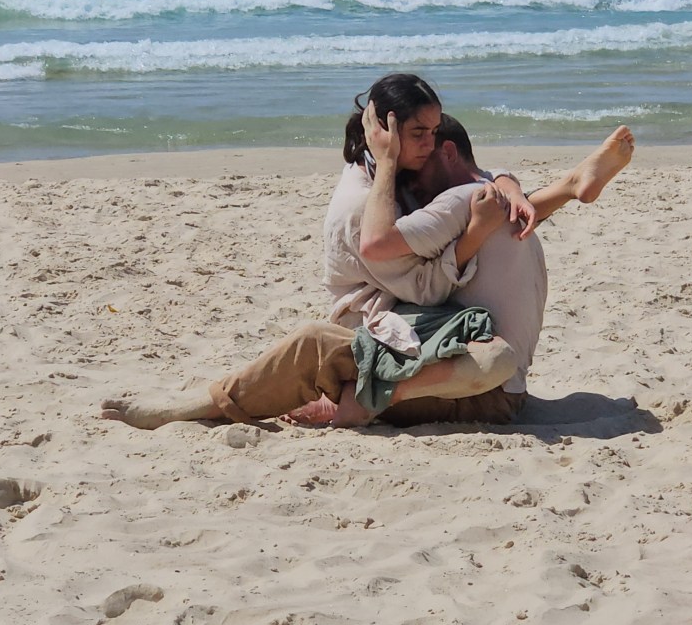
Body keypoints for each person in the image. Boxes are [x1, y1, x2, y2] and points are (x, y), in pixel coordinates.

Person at [101, 74, 632, 431]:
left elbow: (477, 185)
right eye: (419, 133)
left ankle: (362, 400)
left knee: (492, 330)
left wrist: (509, 188)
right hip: (383, 327)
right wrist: (478, 220)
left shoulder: (412, 187)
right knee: (315, 342)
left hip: (453, 358)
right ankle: (201, 405)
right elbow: (427, 285)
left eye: (433, 132)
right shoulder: (366, 205)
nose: (431, 141)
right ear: (384, 133)